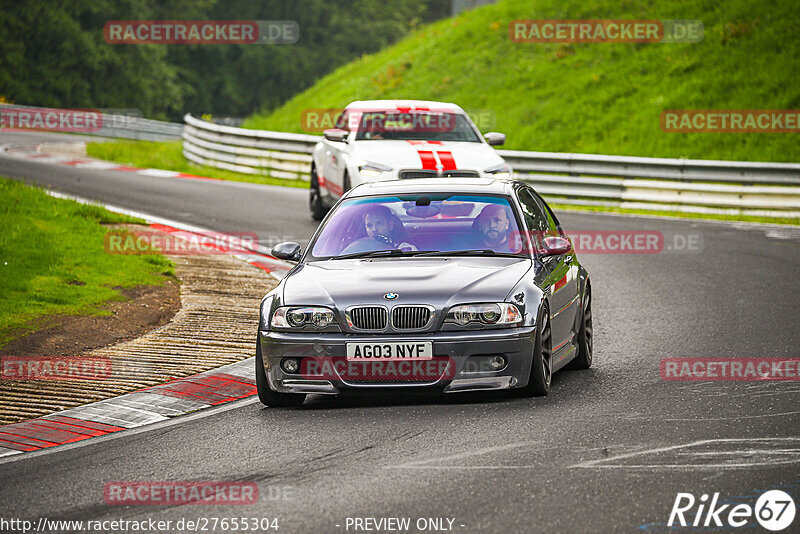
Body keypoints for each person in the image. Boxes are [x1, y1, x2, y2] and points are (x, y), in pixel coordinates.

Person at [339, 205, 416, 254]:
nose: (374, 229)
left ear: (390, 225)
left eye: (379, 223)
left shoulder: (404, 248)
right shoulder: (356, 249)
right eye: (369, 225)